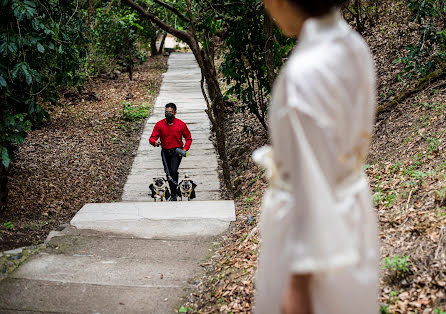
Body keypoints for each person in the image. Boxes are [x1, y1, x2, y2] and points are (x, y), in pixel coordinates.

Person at [253, 0, 378, 313]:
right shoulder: (351, 44)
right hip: (350, 212)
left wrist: (297, 286)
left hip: (313, 235)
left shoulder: (304, 76)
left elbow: (310, 189)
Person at [149, 103, 192, 201]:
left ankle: (173, 194)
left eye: (170, 112)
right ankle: (173, 190)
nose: (168, 114)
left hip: (177, 152)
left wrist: (184, 149)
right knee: (168, 172)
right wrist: (154, 142)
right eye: (166, 112)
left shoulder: (181, 124)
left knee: (173, 171)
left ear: (175, 112)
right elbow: (152, 138)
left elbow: (188, 138)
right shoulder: (159, 124)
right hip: (164, 152)